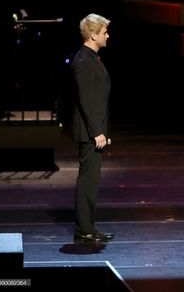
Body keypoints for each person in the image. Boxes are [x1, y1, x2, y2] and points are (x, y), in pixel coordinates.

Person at [71, 13, 114, 243]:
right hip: (90, 133)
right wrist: (97, 131)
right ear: (94, 34)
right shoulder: (84, 62)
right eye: (105, 32)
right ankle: (84, 230)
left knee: (92, 181)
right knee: (88, 181)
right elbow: (87, 100)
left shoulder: (92, 58)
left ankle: (88, 227)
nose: (108, 35)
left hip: (96, 131)